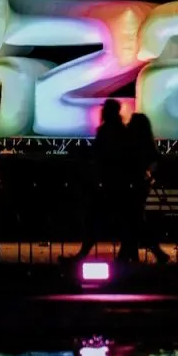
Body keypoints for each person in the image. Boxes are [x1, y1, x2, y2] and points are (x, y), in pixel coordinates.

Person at [63, 99, 129, 261]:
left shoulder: (107, 130)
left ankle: (84, 254)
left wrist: (82, 152)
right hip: (116, 181)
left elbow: (101, 153)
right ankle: (127, 253)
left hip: (109, 182)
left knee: (94, 219)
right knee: (119, 220)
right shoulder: (120, 130)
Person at [119, 113, 170, 263]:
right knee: (135, 221)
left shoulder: (132, 142)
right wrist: (149, 176)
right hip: (141, 185)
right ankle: (132, 256)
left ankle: (133, 256)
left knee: (134, 221)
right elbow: (155, 160)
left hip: (133, 185)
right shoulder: (147, 142)